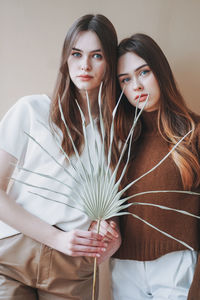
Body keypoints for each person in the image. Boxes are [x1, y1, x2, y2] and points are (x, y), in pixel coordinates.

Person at [0, 14, 119, 300]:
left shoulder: (117, 132)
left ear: (109, 64)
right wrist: (55, 238)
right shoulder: (31, 110)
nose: (85, 65)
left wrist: (114, 238)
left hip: (72, 266)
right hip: (12, 254)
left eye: (97, 56)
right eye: (76, 54)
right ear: (66, 58)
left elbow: (112, 208)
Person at [111, 33, 200, 299]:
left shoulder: (194, 135)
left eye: (144, 72)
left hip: (177, 266)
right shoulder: (120, 142)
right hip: (124, 268)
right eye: (126, 79)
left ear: (160, 71)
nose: (136, 85)